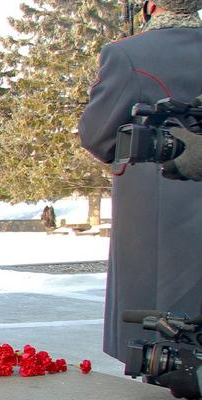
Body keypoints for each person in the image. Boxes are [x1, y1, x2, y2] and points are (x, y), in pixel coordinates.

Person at [77, 0, 202, 361]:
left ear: (151, 6)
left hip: (157, 204)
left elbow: (97, 133)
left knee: (157, 322)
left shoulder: (127, 54)